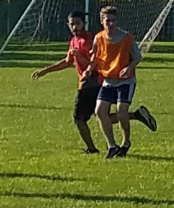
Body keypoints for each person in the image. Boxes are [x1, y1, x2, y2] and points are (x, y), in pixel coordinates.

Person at [32, 11, 154, 154]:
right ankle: (133, 117)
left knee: (79, 118)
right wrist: (46, 70)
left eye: (77, 23)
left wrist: (84, 65)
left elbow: (93, 63)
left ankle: (95, 148)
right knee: (102, 116)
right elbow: (68, 62)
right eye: (72, 24)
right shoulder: (74, 40)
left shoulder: (89, 40)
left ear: (84, 23)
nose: (74, 27)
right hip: (90, 82)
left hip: (93, 83)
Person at [87, 6, 144, 159]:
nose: (111, 24)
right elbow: (95, 57)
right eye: (107, 20)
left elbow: (138, 57)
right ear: (101, 21)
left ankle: (126, 143)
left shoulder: (127, 38)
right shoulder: (98, 38)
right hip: (108, 80)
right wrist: (89, 68)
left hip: (126, 81)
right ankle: (112, 146)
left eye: (113, 20)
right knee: (99, 111)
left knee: (121, 111)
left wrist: (129, 67)